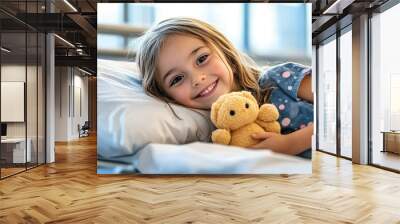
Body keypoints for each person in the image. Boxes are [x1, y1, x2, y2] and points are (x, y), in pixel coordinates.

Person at [136, 17, 313, 159]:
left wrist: (290, 143)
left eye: (201, 59)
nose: (197, 79)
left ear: (226, 55)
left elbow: (339, 104)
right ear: (168, 96)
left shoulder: (277, 79)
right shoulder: (218, 135)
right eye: (177, 79)